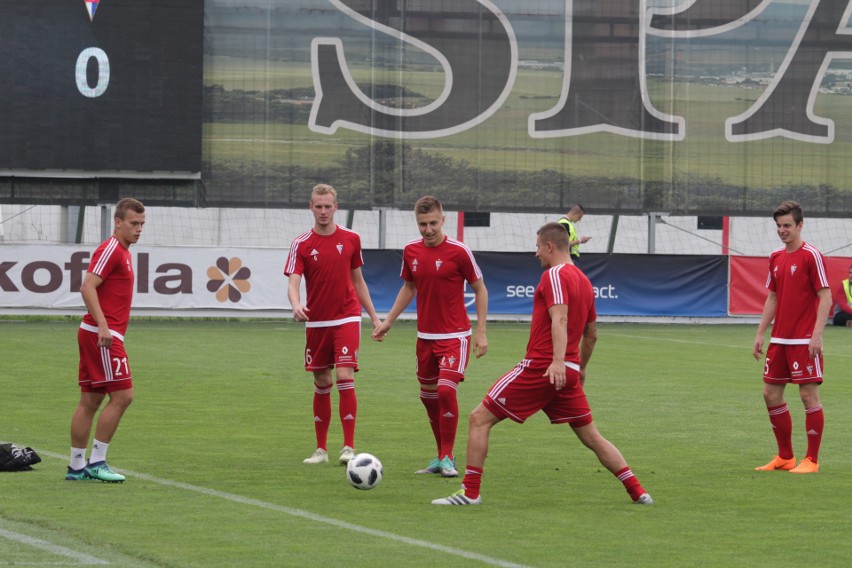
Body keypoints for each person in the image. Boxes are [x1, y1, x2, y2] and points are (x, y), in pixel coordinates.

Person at [432, 222, 652, 505]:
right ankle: (638, 491)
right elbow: (592, 334)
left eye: (537, 247)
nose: (536, 253)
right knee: (592, 436)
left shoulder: (555, 276)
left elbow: (559, 318)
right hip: (567, 371)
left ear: (549, 246)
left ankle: (470, 493)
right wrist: (579, 368)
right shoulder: (584, 281)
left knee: (478, 419)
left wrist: (558, 362)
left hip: (543, 368)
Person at [372, 196, 488, 477]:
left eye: (433, 223)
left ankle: (448, 456)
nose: (428, 229)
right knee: (429, 397)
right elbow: (408, 288)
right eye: (423, 224)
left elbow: (480, 289)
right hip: (424, 337)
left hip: (455, 336)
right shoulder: (411, 250)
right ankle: (440, 456)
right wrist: (388, 320)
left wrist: (481, 332)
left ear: (443, 220)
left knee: (446, 390)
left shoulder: (459, 251)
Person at [285, 184, 381, 466]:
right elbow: (293, 282)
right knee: (321, 381)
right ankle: (321, 450)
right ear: (310, 207)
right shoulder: (301, 243)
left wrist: (374, 317)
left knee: (344, 376)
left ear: (336, 206)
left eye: (328, 206)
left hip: (347, 316)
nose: (324, 211)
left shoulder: (351, 238)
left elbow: (358, 280)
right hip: (317, 322)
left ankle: (349, 447)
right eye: (318, 206)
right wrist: (296, 304)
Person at [67, 198, 146, 482]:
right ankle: (97, 462)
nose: (138, 229)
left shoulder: (123, 251)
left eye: (141, 224)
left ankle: (76, 466)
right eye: (133, 224)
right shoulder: (112, 248)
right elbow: (87, 286)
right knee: (124, 396)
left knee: (90, 400)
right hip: (103, 335)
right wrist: (103, 326)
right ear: (118, 222)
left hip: (98, 333)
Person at [752, 200, 831, 474]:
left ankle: (812, 460)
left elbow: (826, 296)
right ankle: (785, 457)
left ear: (800, 225)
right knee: (770, 393)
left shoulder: (812, 255)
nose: (782, 230)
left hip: (804, 340)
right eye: (778, 226)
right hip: (780, 340)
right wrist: (761, 333)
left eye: (787, 225)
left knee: (808, 396)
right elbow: (772, 296)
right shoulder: (776, 256)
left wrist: (817, 335)